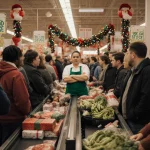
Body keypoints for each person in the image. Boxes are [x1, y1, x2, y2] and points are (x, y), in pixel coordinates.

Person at [0, 45, 31, 145]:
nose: (23, 60)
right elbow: (22, 101)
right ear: (17, 58)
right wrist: (27, 111)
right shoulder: (16, 75)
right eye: (22, 57)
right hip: (13, 120)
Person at [119, 42, 150, 134]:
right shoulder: (133, 70)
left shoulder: (147, 71)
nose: (126, 56)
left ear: (133, 55)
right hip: (129, 119)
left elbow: (146, 97)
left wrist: (134, 114)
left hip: (137, 122)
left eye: (127, 53)